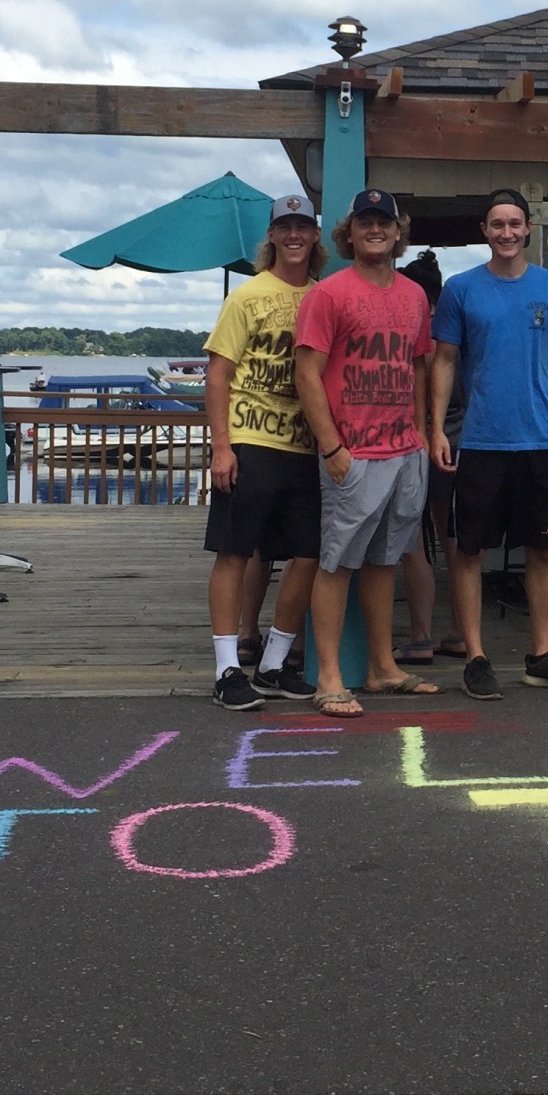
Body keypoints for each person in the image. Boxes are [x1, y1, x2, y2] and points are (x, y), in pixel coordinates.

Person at [430, 188, 548, 700]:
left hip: (542, 439)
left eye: (515, 224)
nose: (506, 232)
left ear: (528, 229)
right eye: (497, 224)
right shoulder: (460, 289)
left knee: (542, 550)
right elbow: (444, 361)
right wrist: (436, 428)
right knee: (470, 552)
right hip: (480, 440)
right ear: (485, 230)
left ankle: (540, 656)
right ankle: (476, 657)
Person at [292, 188, 440, 716]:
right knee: (337, 563)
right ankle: (329, 676)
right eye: (365, 221)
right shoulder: (328, 294)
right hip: (353, 452)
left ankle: (382, 667)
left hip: (404, 451)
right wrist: (331, 445)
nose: (375, 229)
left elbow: (419, 364)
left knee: (384, 561)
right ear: (348, 232)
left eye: (385, 221)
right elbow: (306, 372)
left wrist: (421, 432)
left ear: (398, 232)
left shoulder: (414, 296)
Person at [201, 193, 323, 709]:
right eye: (284, 228)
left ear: (316, 236)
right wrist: (222, 447)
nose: (293, 236)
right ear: (271, 237)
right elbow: (218, 372)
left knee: (309, 554)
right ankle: (227, 668)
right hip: (250, 440)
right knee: (235, 551)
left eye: (303, 227)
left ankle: (274, 662)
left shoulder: (323, 297)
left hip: (303, 444)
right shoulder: (246, 297)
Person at [394, 250, 465, 667]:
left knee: (412, 542)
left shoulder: (418, 335)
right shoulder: (455, 334)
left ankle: (420, 636)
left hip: (416, 440)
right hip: (458, 442)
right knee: (454, 540)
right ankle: (458, 631)